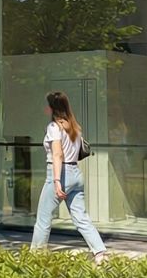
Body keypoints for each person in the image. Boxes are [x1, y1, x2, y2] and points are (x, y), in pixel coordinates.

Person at [31, 90, 108, 261]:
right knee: (81, 217)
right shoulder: (75, 127)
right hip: (76, 174)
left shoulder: (54, 128)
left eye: (47, 105)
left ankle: (35, 257)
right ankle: (100, 253)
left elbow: (57, 154)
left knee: (43, 218)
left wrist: (57, 181)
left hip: (60, 174)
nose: (45, 108)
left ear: (52, 108)